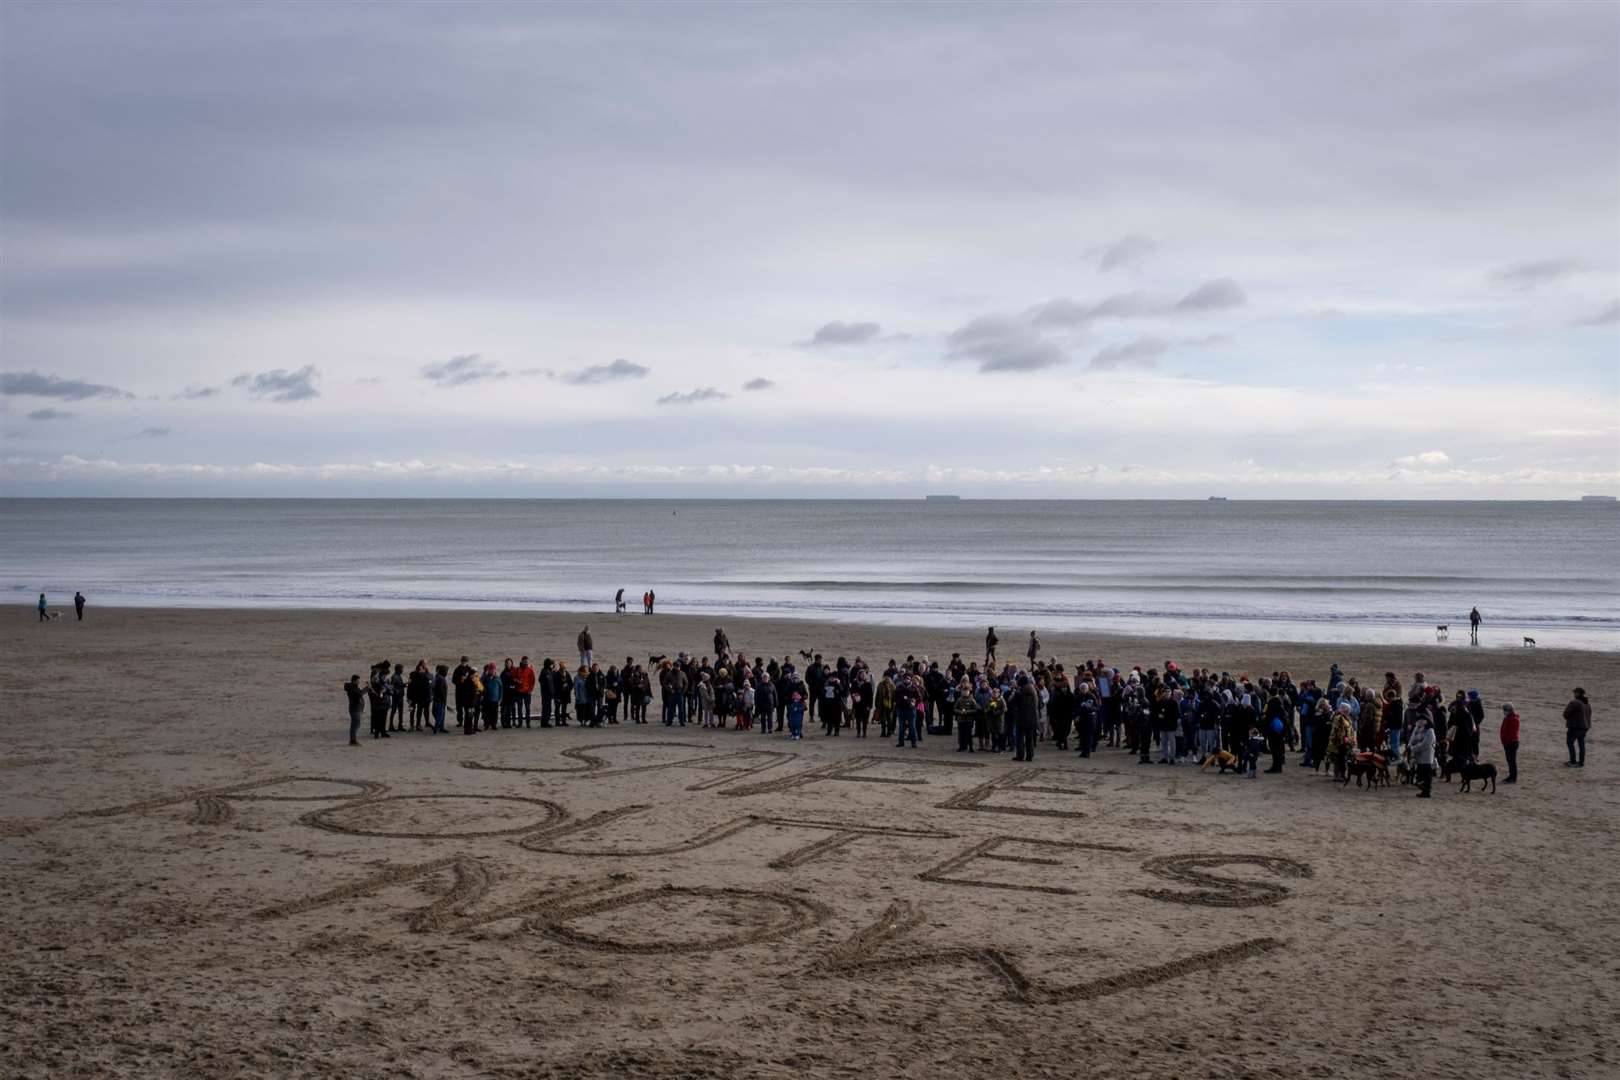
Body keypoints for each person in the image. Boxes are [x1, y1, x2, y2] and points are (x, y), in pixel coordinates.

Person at [1564, 687, 1591, 767]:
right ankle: (1581, 763)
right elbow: (1589, 715)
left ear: (1577, 693)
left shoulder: (1574, 702)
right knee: (1581, 745)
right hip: (1585, 727)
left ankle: (1573, 761)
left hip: (1575, 726)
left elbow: (1566, 714)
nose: (1574, 694)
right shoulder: (1587, 704)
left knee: (1570, 743)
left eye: (1575, 693)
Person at [1410, 716, 1436, 797]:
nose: (1420, 722)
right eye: (1419, 720)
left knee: (1426, 775)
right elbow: (1412, 739)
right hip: (1418, 756)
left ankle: (1426, 791)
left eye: (1422, 720)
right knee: (1419, 775)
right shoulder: (1416, 729)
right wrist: (1410, 746)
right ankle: (1424, 790)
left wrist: (1414, 748)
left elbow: (1426, 744)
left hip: (1427, 756)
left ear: (1426, 721)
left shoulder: (1430, 731)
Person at [1499, 702, 1520, 783]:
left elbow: (1511, 733)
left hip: (1511, 743)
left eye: (1505, 710)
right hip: (1508, 743)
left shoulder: (1513, 719)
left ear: (1510, 710)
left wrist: (1506, 741)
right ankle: (1511, 776)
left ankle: (1513, 778)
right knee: (1509, 760)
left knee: (1512, 761)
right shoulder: (1508, 717)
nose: (1504, 711)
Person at [342, 674, 364, 746]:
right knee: (355, 725)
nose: (359, 682)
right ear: (354, 681)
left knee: (356, 724)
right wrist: (367, 688)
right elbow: (359, 694)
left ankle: (353, 740)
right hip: (355, 709)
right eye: (358, 681)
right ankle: (353, 740)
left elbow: (360, 693)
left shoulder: (353, 687)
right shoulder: (352, 689)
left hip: (356, 708)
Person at [431, 664, 449, 734]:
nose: (447, 673)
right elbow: (441, 691)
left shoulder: (437, 677)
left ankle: (440, 727)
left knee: (438, 713)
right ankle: (437, 727)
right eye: (446, 671)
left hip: (436, 699)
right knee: (440, 714)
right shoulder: (441, 679)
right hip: (440, 700)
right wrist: (444, 699)